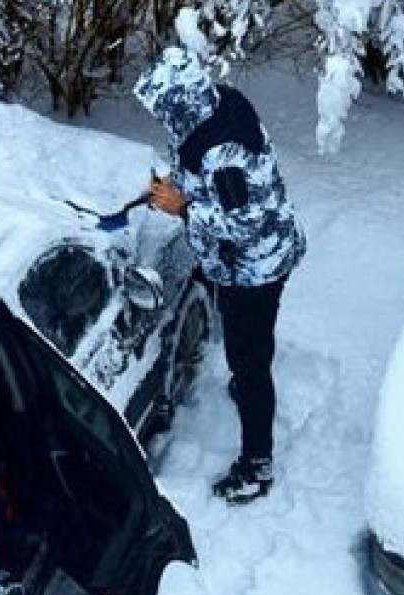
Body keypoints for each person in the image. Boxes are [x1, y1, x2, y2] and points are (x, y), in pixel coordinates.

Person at [133, 47, 306, 504]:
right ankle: (247, 385)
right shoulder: (215, 105)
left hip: (255, 270)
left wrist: (184, 208)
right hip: (248, 259)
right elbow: (207, 177)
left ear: (180, 102)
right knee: (248, 347)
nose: (160, 118)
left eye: (162, 108)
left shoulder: (224, 154)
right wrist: (177, 188)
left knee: (250, 360)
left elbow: (245, 222)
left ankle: (257, 465)